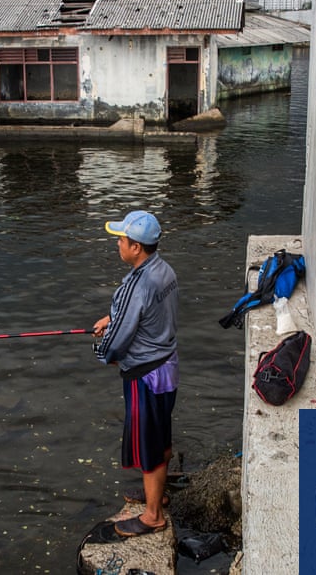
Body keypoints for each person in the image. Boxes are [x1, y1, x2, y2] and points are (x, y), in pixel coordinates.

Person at [92, 210, 179, 537]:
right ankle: (159, 492)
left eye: (122, 240)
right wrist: (114, 319)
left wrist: (102, 346)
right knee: (161, 436)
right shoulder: (165, 271)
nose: (118, 244)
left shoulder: (137, 284)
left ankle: (153, 515)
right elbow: (147, 316)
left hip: (146, 376)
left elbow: (117, 343)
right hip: (167, 367)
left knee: (148, 446)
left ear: (137, 248)